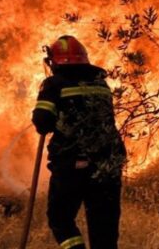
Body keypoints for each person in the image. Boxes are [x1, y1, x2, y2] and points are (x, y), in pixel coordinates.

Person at [32, 35, 126, 249]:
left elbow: (42, 121)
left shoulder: (54, 84)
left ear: (56, 62)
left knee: (60, 219)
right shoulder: (101, 84)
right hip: (107, 165)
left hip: (72, 165)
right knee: (104, 231)